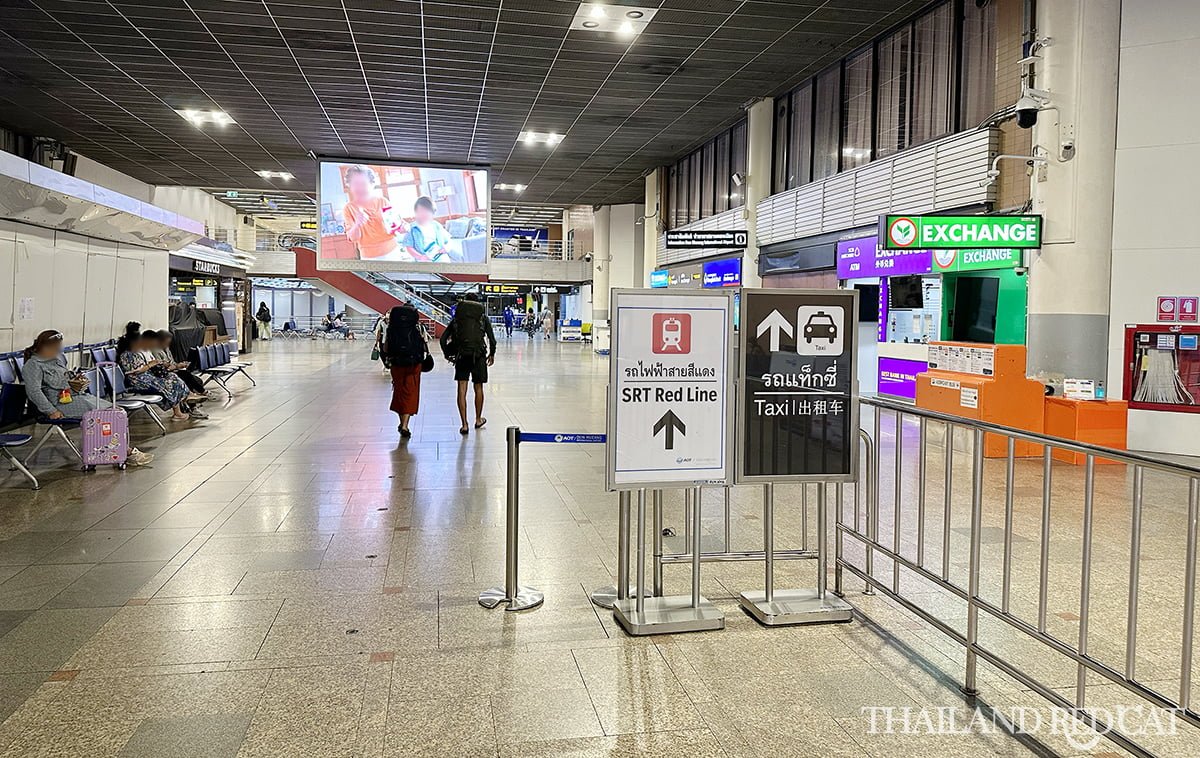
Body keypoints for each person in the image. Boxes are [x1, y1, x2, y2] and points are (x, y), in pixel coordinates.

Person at [20, 330, 153, 466]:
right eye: (57, 347)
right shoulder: (33, 366)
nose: (59, 350)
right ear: (46, 347)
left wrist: (78, 381)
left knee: (117, 412)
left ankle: (121, 451)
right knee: (108, 416)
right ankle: (127, 452)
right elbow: (34, 391)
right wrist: (50, 411)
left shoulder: (56, 361)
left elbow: (67, 380)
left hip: (76, 397)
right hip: (59, 404)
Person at [116, 323, 200, 421]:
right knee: (168, 383)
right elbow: (136, 371)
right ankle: (178, 411)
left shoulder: (136, 351)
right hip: (137, 380)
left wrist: (151, 364)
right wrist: (150, 364)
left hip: (145, 376)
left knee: (172, 377)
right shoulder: (128, 355)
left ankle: (186, 397)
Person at [439, 293, 496, 435]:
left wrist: (448, 354)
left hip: (461, 355)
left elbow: (443, 339)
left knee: (462, 389)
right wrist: (492, 354)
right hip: (478, 355)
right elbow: (492, 339)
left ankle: (464, 424)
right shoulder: (483, 318)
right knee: (478, 387)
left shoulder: (457, 319)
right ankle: (477, 419)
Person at [382, 304, 427, 438]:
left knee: (399, 391)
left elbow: (385, 349)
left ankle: (401, 423)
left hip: (397, 364)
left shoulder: (392, 329)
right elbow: (423, 346)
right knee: (410, 392)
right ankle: (405, 425)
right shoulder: (417, 328)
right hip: (414, 364)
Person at [343, 165, 400, 259]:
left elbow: (394, 227)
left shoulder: (383, 201)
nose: (359, 188)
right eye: (355, 184)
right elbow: (353, 238)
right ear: (349, 185)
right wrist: (357, 224)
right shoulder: (348, 208)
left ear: (372, 184)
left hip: (392, 252)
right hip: (369, 257)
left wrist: (401, 227)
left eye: (363, 183)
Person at [150, 330, 208, 399]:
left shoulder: (167, 349)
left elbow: (172, 362)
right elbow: (161, 367)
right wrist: (176, 366)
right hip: (166, 373)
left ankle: (192, 398)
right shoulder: (155, 351)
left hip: (174, 370)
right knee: (185, 375)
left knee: (196, 379)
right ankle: (198, 394)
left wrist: (180, 364)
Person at [401, 196, 453, 262]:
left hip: (441, 258)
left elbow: (448, 240)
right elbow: (409, 247)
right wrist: (420, 257)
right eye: (421, 211)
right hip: (424, 260)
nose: (425, 214)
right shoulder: (412, 228)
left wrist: (447, 248)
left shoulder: (436, 225)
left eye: (428, 211)